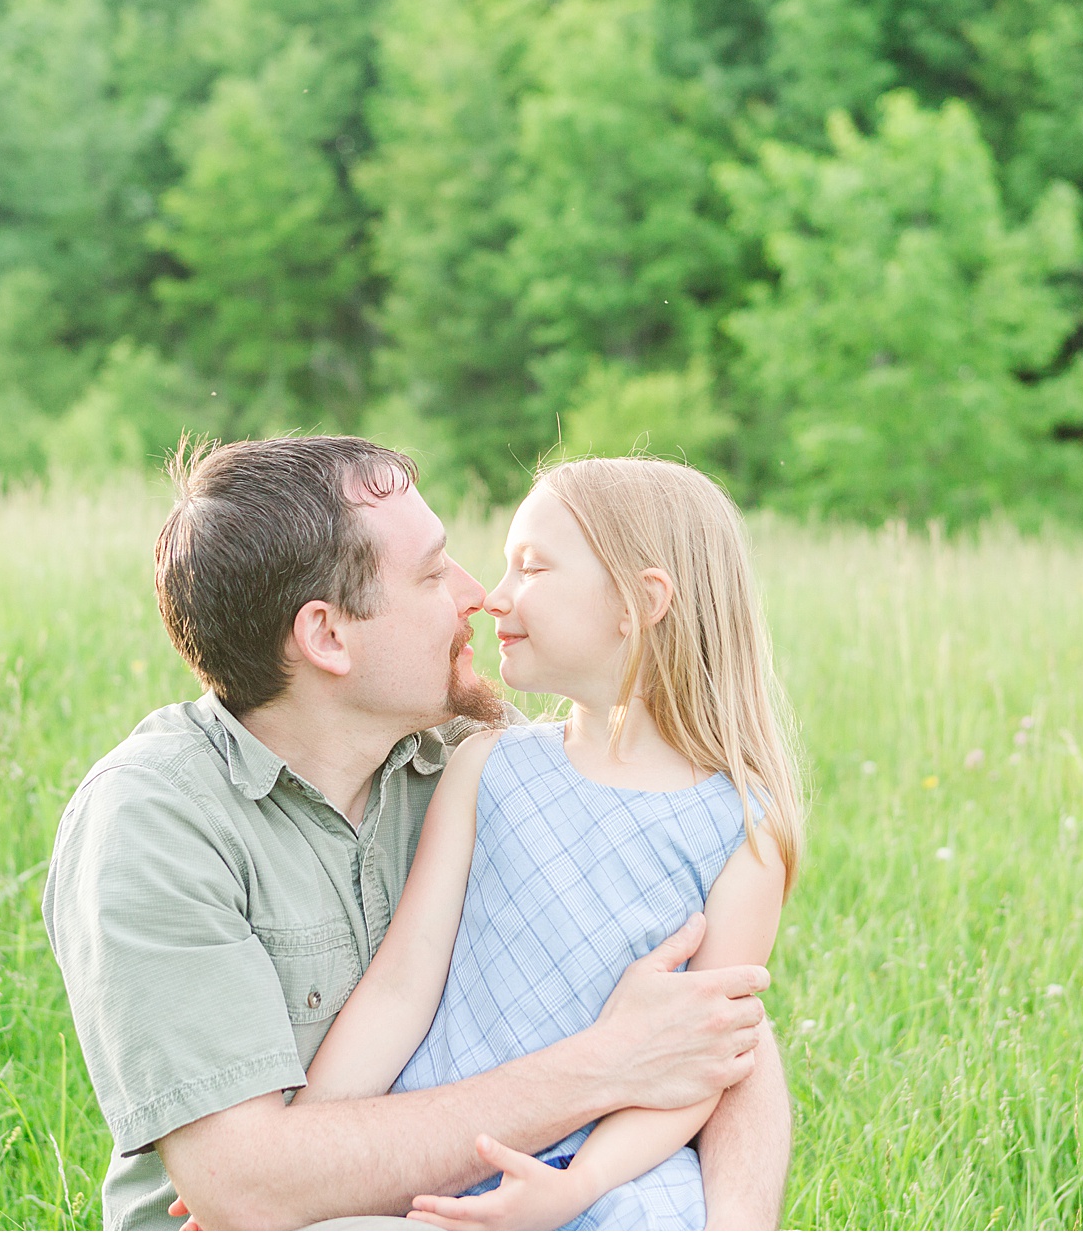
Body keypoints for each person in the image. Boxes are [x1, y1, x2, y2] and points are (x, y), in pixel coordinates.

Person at [42, 436, 792, 1230]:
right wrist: (603, 1065)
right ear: (328, 636)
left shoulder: (475, 756)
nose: (479, 594)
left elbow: (716, 1031)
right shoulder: (156, 825)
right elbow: (248, 1187)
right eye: (434, 574)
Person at [296, 456, 803, 1229]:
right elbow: (402, 983)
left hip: (613, 1181)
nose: (494, 596)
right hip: (442, 1155)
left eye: (530, 567)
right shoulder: (488, 766)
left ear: (641, 602)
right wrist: (301, 1143)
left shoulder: (743, 828)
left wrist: (580, 1182)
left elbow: (706, 1062)